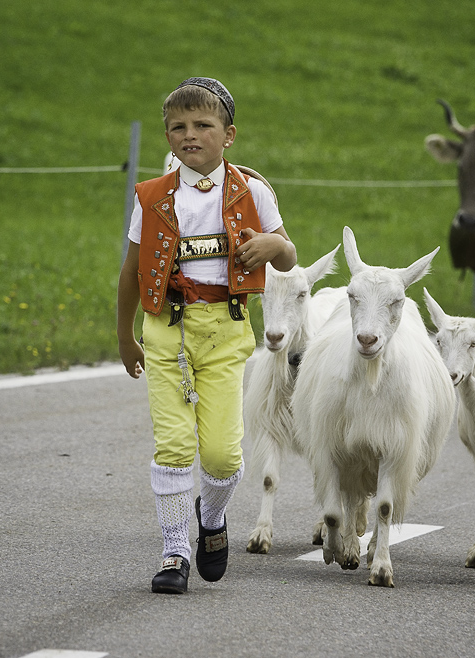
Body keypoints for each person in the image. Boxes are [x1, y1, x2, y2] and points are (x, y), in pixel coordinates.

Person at [117, 77, 297, 594]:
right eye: (178, 127)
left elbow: (288, 255)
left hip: (225, 329)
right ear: (167, 135)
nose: (189, 134)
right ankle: (174, 551)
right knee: (174, 444)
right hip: (165, 329)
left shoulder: (251, 190)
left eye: (203, 125)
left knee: (221, 456)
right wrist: (127, 335)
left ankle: (211, 518)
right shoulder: (153, 197)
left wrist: (268, 244)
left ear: (228, 134)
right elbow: (131, 271)